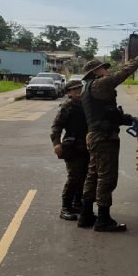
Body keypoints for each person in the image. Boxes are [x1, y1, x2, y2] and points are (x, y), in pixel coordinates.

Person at [78, 48, 138, 232]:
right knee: (107, 178)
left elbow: (110, 115)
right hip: (104, 139)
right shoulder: (99, 85)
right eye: (104, 68)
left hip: (95, 136)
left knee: (93, 175)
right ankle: (103, 220)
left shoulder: (88, 89)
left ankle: (86, 214)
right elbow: (124, 73)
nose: (107, 70)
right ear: (95, 72)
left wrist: (133, 120)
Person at [50, 80, 89, 220]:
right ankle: (65, 208)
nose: (78, 91)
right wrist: (56, 143)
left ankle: (76, 204)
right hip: (73, 147)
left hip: (87, 146)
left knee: (84, 177)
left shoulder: (87, 103)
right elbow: (56, 126)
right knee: (74, 177)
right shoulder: (68, 106)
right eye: (75, 90)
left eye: (80, 89)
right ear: (69, 93)